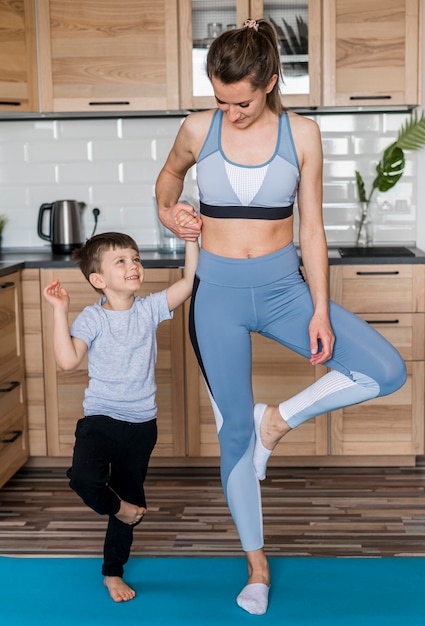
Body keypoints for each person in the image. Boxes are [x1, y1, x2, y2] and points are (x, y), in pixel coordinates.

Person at [155, 18, 407, 616]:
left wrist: (319, 308)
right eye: (219, 99)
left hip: (284, 292)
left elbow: (313, 230)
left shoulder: (303, 134)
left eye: (240, 101)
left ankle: (279, 422)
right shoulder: (197, 128)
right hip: (214, 296)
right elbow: (167, 179)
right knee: (233, 435)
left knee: (385, 371)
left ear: (269, 82)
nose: (229, 112)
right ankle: (256, 565)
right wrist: (169, 213)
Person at [43, 231, 199, 603]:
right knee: (84, 479)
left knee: (130, 492)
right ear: (98, 280)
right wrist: (59, 310)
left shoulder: (149, 309)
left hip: (142, 425)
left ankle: (113, 572)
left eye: (136, 258)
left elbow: (190, 282)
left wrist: (191, 239)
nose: (134, 266)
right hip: (100, 418)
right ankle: (124, 510)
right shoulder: (92, 318)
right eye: (122, 261)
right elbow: (67, 361)